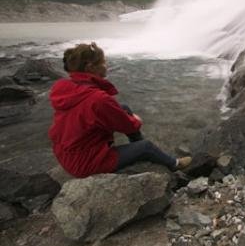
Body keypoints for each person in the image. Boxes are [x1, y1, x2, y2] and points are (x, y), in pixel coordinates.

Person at [48, 42, 191, 178]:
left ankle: (136, 145)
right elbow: (128, 125)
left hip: (66, 154)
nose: (106, 66)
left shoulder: (65, 87)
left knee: (123, 108)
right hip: (86, 162)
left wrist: (127, 116)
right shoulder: (97, 98)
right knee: (146, 147)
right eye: (103, 62)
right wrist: (135, 120)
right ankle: (174, 164)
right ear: (90, 67)